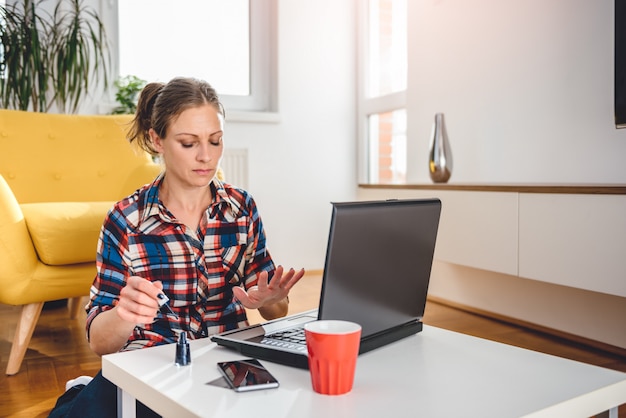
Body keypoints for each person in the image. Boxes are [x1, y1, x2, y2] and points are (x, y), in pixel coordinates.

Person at [49, 77, 305, 418]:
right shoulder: (126, 219)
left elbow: (275, 309)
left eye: (215, 141)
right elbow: (100, 342)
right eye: (188, 143)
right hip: (150, 362)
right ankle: (80, 393)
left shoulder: (241, 208)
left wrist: (272, 302)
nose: (206, 156)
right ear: (158, 140)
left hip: (226, 362)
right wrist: (125, 314)